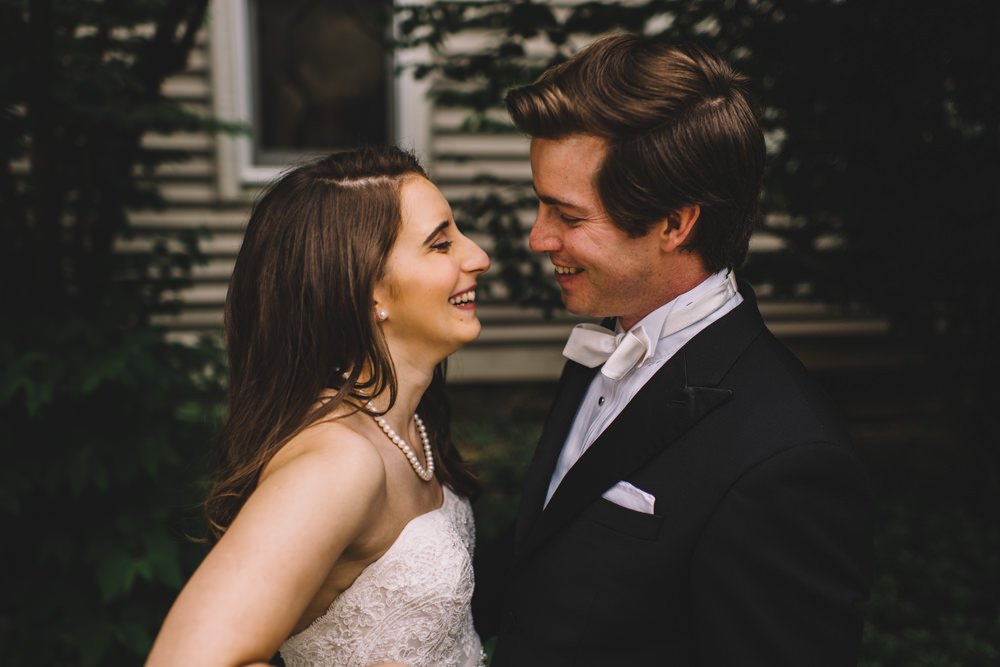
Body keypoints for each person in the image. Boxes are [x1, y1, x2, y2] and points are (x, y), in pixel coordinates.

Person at [473, 33, 874, 665]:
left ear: (674, 223)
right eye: (539, 205)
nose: (537, 238)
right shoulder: (611, 340)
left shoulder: (786, 460)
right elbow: (551, 551)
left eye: (568, 217)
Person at [146, 145, 490, 667]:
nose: (477, 256)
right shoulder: (338, 463)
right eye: (441, 244)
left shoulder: (411, 423)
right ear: (367, 289)